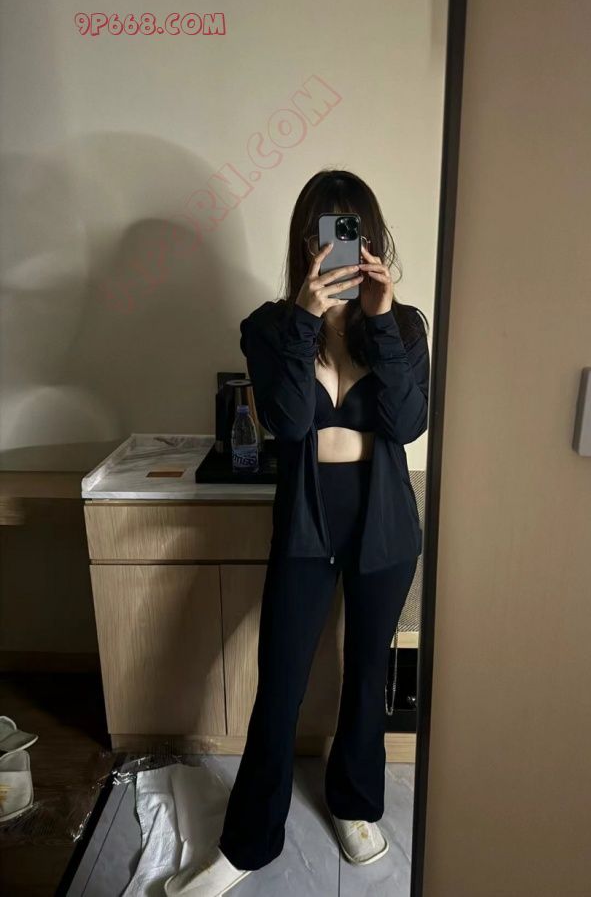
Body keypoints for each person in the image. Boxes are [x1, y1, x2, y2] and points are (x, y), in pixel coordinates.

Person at [165, 169, 430, 895]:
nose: (341, 247)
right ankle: (248, 842)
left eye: (355, 231)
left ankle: (355, 804)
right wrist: (308, 320)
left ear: (372, 241)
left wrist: (379, 318)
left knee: (367, 674)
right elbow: (288, 422)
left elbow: (408, 423)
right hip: (307, 522)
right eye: (328, 232)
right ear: (306, 243)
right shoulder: (270, 327)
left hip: (384, 522)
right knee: (281, 683)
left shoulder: (405, 325)